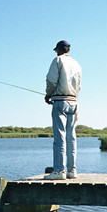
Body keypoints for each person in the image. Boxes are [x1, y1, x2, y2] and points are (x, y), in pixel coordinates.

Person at [44, 40, 82, 180]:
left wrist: (48, 94)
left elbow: (51, 80)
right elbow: (79, 85)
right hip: (74, 101)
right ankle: (72, 171)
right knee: (71, 137)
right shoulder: (77, 64)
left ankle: (59, 171)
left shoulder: (58, 60)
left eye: (56, 50)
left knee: (59, 137)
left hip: (60, 102)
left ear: (59, 49)